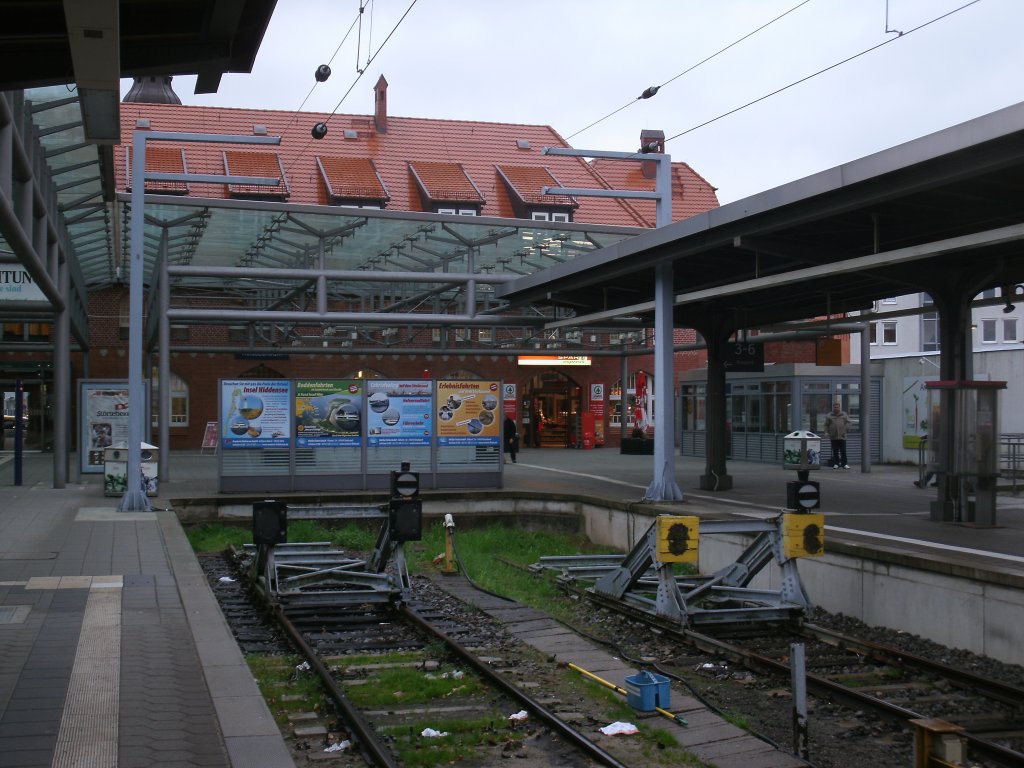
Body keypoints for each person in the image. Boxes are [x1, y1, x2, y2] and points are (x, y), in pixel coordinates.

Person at [824, 401, 850, 468]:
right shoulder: (829, 415)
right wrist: (826, 432)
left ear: (839, 407)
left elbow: (848, 422)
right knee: (835, 451)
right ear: (833, 408)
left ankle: (844, 464)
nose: (836, 408)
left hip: (842, 436)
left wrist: (845, 429)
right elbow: (826, 425)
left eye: (837, 407)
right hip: (833, 436)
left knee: (843, 451)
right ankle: (836, 463)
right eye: (835, 407)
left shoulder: (844, 415)